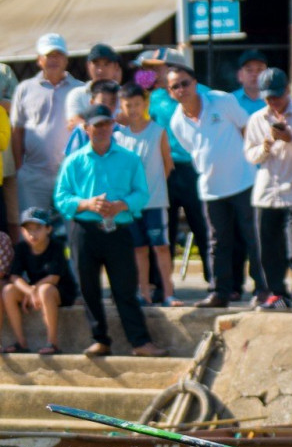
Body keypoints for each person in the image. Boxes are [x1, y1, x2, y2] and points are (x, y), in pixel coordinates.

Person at [54, 105, 163, 356]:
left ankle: (140, 342)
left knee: (125, 288)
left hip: (118, 229)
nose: (102, 130)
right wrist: (86, 204)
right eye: (97, 125)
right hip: (84, 229)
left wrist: (121, 205)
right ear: (86, 128)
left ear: (113, 125)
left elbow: (141, 193)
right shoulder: (74, 161)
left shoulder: (129, 158)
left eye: (106, 124)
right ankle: (100, 339)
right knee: (89, 288)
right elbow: (61, 198)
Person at [164, 59, 262, 308]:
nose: (181, 90)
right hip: (210, 189)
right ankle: (219, 292)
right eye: (175, 86)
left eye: (185, 83)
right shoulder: (176, 122)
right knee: (217, 243)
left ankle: (263, 290)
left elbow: (246, 127)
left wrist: (249, 161)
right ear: (170, 92)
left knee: (254, 238)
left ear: (195, 83)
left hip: (244, 181)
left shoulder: (222, 100)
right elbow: (193, 150)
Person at [241, 68, 292, 308]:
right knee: (268, 249)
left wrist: (290, 138)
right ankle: (276, 293)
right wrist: (268, 143)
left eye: (277, 96)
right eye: (269, 98)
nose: (274, 102)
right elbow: (251, 156)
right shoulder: (257, 119)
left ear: (288, 90)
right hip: (266, 194)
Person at [143, 48, 210, 287]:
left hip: (194, 167)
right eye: (149, 68)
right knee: (165, 228)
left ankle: (215, 281)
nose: (151, 72)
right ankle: (162, 285)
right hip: (165, 170)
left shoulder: (201, 92)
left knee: (202, 224)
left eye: (156, 67)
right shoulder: (150, 98)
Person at [13, 33, 87, 216]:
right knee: (34, 233)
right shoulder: (25, 89)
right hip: (33, 175)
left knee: (72, 233)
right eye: (49, 55)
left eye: (59, 55)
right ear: (39, 60)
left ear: (66, 59)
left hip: (71, 174)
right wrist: (19, 168)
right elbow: (17, 131)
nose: (54, 60)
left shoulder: (81, 89)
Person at [114, 84, 175, 307]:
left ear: (145, 104)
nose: (133, 109)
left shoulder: (158, 131)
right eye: (128, 105)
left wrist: (154, 187)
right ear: (121, 106)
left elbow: (168, 164)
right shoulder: (119, 136)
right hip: (131, 205)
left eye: (137, 104)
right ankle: (144, 294)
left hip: (156, 201)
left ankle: (168, 293)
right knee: (138, 249)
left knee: (160, 247)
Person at [1, 207, 76, 354]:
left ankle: (52, 343)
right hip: (35, 291)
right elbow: (14, 276)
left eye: (38, 229)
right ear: (22, 231)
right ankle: (21, 343)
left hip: (59, 291)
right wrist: (29, 291)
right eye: (28, 230)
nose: (32, 234)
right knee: (8, 290)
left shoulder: (56, 246)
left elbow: (54, 278)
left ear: (48, 229)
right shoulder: (22, 248)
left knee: (45, 289)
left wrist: (33, 291)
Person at [63, 80, 121, 155]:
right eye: (103, 101)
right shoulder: (82, 131)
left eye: (112, 103)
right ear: (92, 102)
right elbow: (70, 160)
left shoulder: (120, 130)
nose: (108, 106)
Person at [230, 50, 269, 118]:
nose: (254, 74)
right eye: (249, 70)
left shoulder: (275, 100)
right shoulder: (231, 100)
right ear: (240, 75)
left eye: (259, 70)